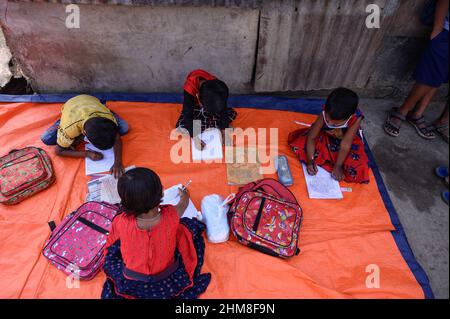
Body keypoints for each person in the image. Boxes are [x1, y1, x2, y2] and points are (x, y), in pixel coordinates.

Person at [101, 168, 211, 299]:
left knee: (117, 247)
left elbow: (111, 243)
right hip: (166, 278)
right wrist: (184, 196)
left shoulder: (120, 221)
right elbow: (184, 204)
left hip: (131, 280)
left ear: (125, 201)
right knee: (187, 226)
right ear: (160, 193)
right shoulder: (172, 214)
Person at [384, 0, 449, 139]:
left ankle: (417, 113)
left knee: (440, 76)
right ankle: (402, 111)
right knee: (429, 76)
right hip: (446, 32)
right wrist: (437, 29)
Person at [288, 87, 369, 183]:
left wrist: (338, 165)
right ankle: (327, 161)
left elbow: (345, 145)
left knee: (358, 168)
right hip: (325, 135)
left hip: (346, 141)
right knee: (299, 144)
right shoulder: (325, 111)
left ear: (349, 117)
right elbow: (312, 137)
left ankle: (333, 163)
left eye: (334, 124)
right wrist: (310, 160)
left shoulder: (356, 118)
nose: (329, 122)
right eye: (327, 119)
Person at [40, 95, 129, 178]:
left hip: (90, 101)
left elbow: (116, 138)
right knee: (47, 139)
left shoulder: (108, 118)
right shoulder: (70, 128)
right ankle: (62, 120)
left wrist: (118, 162)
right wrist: (87, 154)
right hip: (72, 109)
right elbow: (58, 151)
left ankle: (104, 108)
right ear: (84, 134)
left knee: (124, 128)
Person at [176, 69, 237, 150]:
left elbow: (223, 108)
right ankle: (207, 119)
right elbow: (187, 114)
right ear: (198, 97)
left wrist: (224, 131)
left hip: (209, 102)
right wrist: (195, 138)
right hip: (195, 107)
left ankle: (213, 120)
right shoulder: (190, 88)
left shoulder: (217, 86)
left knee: (226, 114)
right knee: (184, 124)